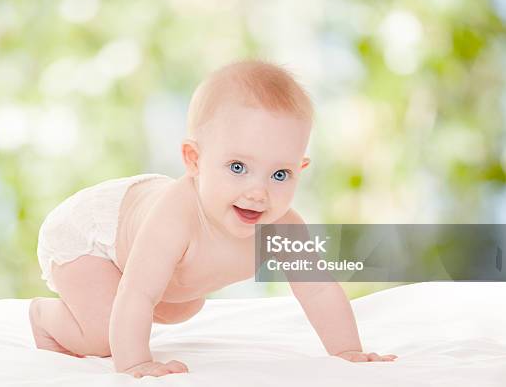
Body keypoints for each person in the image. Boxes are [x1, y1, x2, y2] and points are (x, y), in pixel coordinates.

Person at [28, 60, 397, 378]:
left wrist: (348, 353)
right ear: (194, 161)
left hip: (144, 236)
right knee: (104, 334)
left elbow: (318, 290)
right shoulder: (176, 217)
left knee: (183, 306)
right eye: (238, 167)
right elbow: (137, 292)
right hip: (93, 236)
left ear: (301, 169)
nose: (258, 192)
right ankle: (46, 317)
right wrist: (136, 363)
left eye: (280, 174)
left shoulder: (284, 228)